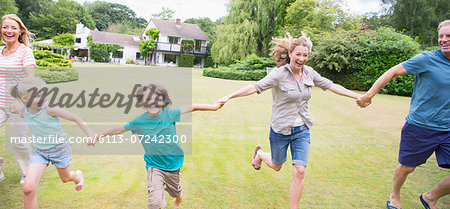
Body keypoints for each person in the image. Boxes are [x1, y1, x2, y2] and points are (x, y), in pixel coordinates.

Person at [217, 33, 361, 209]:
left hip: (302, 129)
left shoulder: (310, 73)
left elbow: (331, 86)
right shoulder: (279, 74)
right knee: (277, 165)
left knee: (300, 171)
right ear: (290, 54)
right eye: (298, 54)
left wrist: (357, 96)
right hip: (280, 129)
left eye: (305, 55)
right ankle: (261, 154)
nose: (302, 59)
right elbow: (255, 87)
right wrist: (229, 96)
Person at [357, 20, 450, 209]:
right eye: (441, 36)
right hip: (420, 126)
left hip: (448, 128)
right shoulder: (427, 59)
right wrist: (369, 95)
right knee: (407, 167)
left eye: (448, 36)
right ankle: (394, 195)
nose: (443, 40)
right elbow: (392, 71)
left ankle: (430, 197)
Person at [95, 82, 223, 209]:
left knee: (174, 191)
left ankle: (178, 194)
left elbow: (193, 107)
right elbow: (120, 129)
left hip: (173, 164)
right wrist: (100, 135)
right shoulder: (139, 121)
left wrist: (214, 107)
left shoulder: (169, 114)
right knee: (155, 203)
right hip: (154, 166)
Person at [10, 76, 94, 209]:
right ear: (26, 99)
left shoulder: (50, 109)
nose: (43, 98)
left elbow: (75, 118)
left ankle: (77, 176)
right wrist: (15, 108)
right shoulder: (25, 110)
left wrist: (90, 134)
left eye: (44, 93)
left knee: (66, 178)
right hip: (40, 152)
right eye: (37, 96)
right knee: (28, 188)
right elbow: (19, 110)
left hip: (59, 149)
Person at [0, 14, 36, 184]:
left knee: (18, 142)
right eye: (5, 27)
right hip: (0, 103)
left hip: (19, 105)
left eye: (13, 28)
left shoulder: (25, 52)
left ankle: (28, 173)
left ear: (20, 31)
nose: (9, 31)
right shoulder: (0, 51)